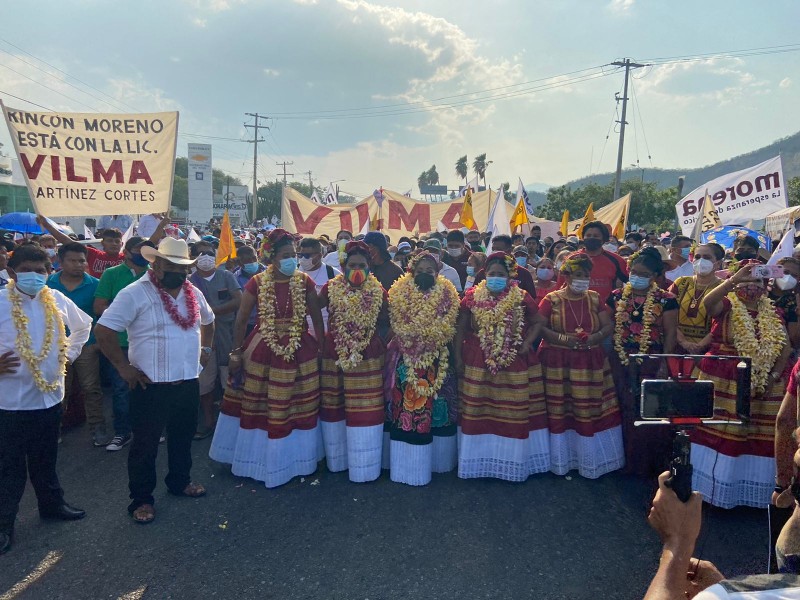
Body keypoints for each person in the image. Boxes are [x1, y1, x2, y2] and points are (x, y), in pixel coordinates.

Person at [95, 237, 215, 524]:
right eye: (171, 265)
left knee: (182, 438)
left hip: (187, 381)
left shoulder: (193, 292)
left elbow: (208, 321)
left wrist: (205, 350)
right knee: (145, 446)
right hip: (149, 385)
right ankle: (141, 499)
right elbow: (104, 331)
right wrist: (124, 368)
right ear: (156, 265)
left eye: (183, 267)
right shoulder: (133, 293)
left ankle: (179, 482)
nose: (178, 272)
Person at [210, 229, 325, 489]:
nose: (291, 260)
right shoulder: (258, 282)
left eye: (293, 255)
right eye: (285, 255)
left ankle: (299, 460)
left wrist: (321, 347)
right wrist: (237, 351)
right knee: (261, 402)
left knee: (300, 402)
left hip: (300, 345)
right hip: (264, 345)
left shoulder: (304, 280)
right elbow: (241, 319)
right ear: (271, 257)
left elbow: (316, 316)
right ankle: (258, 459)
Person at [0, 244, 92, 554]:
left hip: (50, 397)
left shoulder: (57, 301)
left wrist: (69, 355)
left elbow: (84, 326)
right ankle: (3, 524)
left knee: (46, 459)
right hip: (9, 403)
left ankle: (52, 506)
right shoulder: (0, 302)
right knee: (8, 466)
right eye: (27, 270)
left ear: (49, 272)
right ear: (13, 272)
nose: (35, 276)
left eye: (41, 271)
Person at [691, 260, 792, 509]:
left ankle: (753, 492)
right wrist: (733, 280)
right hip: (723, 377)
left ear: (765, 285)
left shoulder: (774, 311)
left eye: (756, 281)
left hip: (766, 381)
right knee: (723, 431)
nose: (751, 286)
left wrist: (774, 376)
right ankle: (714, 490)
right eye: (746, 281)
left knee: (756, 435)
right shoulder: (726, 305)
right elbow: (707, 304)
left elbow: (786, 347)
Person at [454, 252, 547, 482]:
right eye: (492, 274)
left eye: (501, 274)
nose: (496, 278)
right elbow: (460, 329)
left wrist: (526, 342)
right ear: (484, 274)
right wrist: (457, 358)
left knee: (511, 410)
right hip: (477, 358)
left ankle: (510, 461)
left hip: (514, 359)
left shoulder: (521, 297)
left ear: (510, 276)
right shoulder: (471, 297)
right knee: (478, 410)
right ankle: (477, 460)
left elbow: (539, 322)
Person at [536, 253, 623, 478]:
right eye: (577, 275)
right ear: (566, 275)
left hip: (589, 361)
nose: (582, 279)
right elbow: (540, 327)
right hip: (557, 362)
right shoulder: (551, 299)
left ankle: (588, 458)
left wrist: (595, 338)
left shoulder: (594, 298)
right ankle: (559, 460)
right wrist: (564, 339)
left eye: (586, 275)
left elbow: (607, 325)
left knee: (587, 407)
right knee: (559, 408)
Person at [385, 251, 460, 485]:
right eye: (420, 271)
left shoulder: (448, 294)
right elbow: (395, 324)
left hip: (438, 359)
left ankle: (438, 463)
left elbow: (451, 326)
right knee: (405, 407)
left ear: (438, 273)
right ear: (411, 272)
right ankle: (405, 465)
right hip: (406, 359)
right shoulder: (398, 293)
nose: (425, 275)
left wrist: (432, 340)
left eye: (430, 271)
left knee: (438, 406)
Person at [318, 241, 389, 482]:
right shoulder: (329, 288)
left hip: (368, 352)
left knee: (366, 406)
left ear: (370, 268)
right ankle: (338, 460)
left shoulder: (378, 290)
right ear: (344, 265)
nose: (357, 269)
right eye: (352, 265)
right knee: (335, 402)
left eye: (362, 265)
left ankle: (365, 464)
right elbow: (313, 307)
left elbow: (389, 317)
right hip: (335, 351)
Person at [608, 247, 678, 476]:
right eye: (633, 271)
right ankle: (622, 459)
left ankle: (650, 463)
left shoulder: (666, 300)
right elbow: (609, 327)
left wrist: (665, 363)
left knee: (650, 409)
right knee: (622, 405)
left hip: (652, 358)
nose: (636, 276)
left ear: (655, 276)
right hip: (621, 358)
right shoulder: (617, 296)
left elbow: (670, 334)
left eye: (643, 273)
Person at [93, 237, 157, 452]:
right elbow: (99, 306)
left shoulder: (156, 275)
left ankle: (149, 430)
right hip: (120, 343)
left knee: (150, 387)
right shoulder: (111, 274)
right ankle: (123, 432)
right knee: (122, 389)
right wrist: (127, 313)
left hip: (148, 341)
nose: (143, 254)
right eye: (139, 250)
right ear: (127, 252)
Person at [46, 242, 109, 446]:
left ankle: (97, 427)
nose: (78, 264)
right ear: (60, 261)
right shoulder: (47, 285)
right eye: (72, 260)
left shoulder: (95, 284)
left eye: (82, 260)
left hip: (86, 345)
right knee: (58, 389)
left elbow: (101, 315)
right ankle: (54, 429)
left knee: (91, 387)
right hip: (55, 346)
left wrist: (99, 341)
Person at [189, 241, 242, 440]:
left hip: (227, 333)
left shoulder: (226, 276)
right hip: (203, 337)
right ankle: (209, 422)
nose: (206, 256)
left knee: (230, 377)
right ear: (193, 257)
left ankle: (233, 423)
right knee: (205, 382)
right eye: (200, 253)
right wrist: (208, 317)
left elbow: (239, 300)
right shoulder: (190, 282)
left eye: (209, 253)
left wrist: (211, 313)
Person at [668, 243, 724, 354]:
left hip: (709, 351)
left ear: (718, 263)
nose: (701, 261)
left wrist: (700, 345)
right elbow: (668, 314)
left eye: (707, 257)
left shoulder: (723, 288)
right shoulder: (681, 282)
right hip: (677, 346)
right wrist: (683, 342)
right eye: (697, 257)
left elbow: (722, 322)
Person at [559, 221, 629, 304]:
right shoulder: (572, 259)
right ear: (583, 238)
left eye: (596, 236)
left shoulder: (616, 260)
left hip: (605, 311)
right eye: (588, 235)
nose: (591, 238)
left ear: (604, 239)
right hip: (575, 309)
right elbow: (560, 287)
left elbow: (630, 283)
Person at [299, 236, 340, 337]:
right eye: (301, 255)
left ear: (320, 255)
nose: (304, 259)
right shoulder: (295, 273)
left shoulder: (333, 274)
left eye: (307, 255)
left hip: (327, 330)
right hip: (301, 331)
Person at [232, 245, 265, 336]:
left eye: (254, 258)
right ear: (240, 262)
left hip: (268, 322)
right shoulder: (235, 278)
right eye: (247, 260)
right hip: (247, 324)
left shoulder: (269, 273)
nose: (252, 262)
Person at [770, 257, 800, 350]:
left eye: (794, 275)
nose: (788, 277)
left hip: (782, 353)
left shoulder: (794, 302)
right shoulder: (758, 292)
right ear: (775, 271)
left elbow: (794, 341)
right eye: (786, 272)